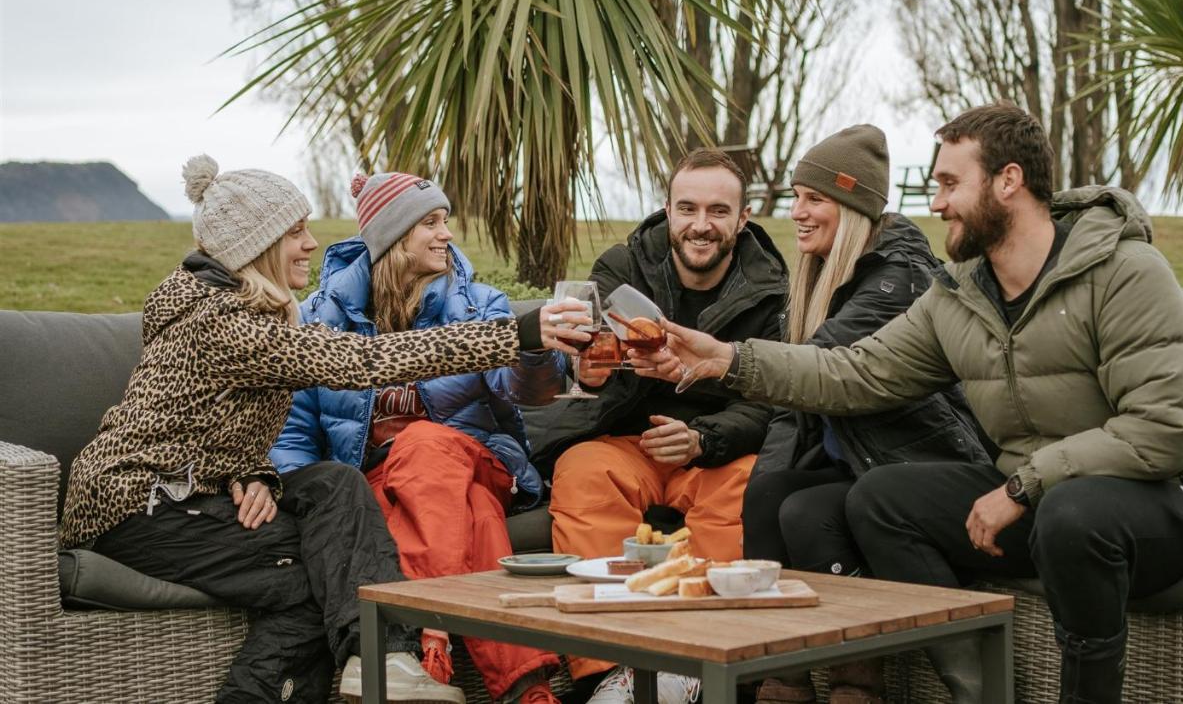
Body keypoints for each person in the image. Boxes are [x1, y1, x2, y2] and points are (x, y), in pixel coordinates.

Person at [634, 103, 1183, 704]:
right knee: (876, 499)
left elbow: (1162, 432)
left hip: (1175, 498)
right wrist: (729, 360)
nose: (936, 203)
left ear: (1008, 182)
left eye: (951, 184)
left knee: (1073, 514)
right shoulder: (961, 295)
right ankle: (981, 690)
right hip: (1042, 493)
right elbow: (857, 372)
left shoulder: (1125, 271)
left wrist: (1021, 487)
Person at [59, 156, 591, 704]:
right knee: (326, 563)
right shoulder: (228, 322)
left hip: (174, 495)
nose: (313, 243)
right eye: (296, 232)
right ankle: (388, 657)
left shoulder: (239, 311)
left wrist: (257, 472)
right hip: (139, 506)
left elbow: (207, 416)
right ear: (257, 246)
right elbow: (361, 363)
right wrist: (520, 331)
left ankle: (384, 657)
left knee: (332, 492)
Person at [271, 172, 565, 704]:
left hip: (477, 459)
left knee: (425, 443)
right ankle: (528, 688)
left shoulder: (478, 304)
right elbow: (293, 429)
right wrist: (297, 496)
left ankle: (424, 644)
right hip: (382, 482)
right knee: (472, 511)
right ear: (392, 236)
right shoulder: (321, 319)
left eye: (445, 221)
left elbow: (522, 389)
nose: (446, 234)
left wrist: (538, 350)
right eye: (430, 222)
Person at [742, 126, 989, 704]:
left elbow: (815, 369)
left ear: (853, 206)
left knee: (807, 510)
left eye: (815, 199)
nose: (797, 212)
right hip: (861, 465)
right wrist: (766, 486)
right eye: (796, 196)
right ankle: (784, 679)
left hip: (922, 468)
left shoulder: (898, 277)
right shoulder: (817, 276)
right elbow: (788, 410)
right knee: (771, 494)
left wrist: (723, 362)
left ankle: (857, 684)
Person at [541, 147, 788, 704]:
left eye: (719, 212)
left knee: (752, 485)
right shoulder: (620, 268)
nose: (702, 226)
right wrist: (592, 371)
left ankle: (701, 663)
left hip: (718, 448)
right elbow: (588, 364)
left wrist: (706, 436)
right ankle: (608, 669)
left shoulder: (773, 288)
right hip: (631, 441)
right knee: (581, 471)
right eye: (689, 208)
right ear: (668, 211)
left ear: (743, 218)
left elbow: (771, 396)